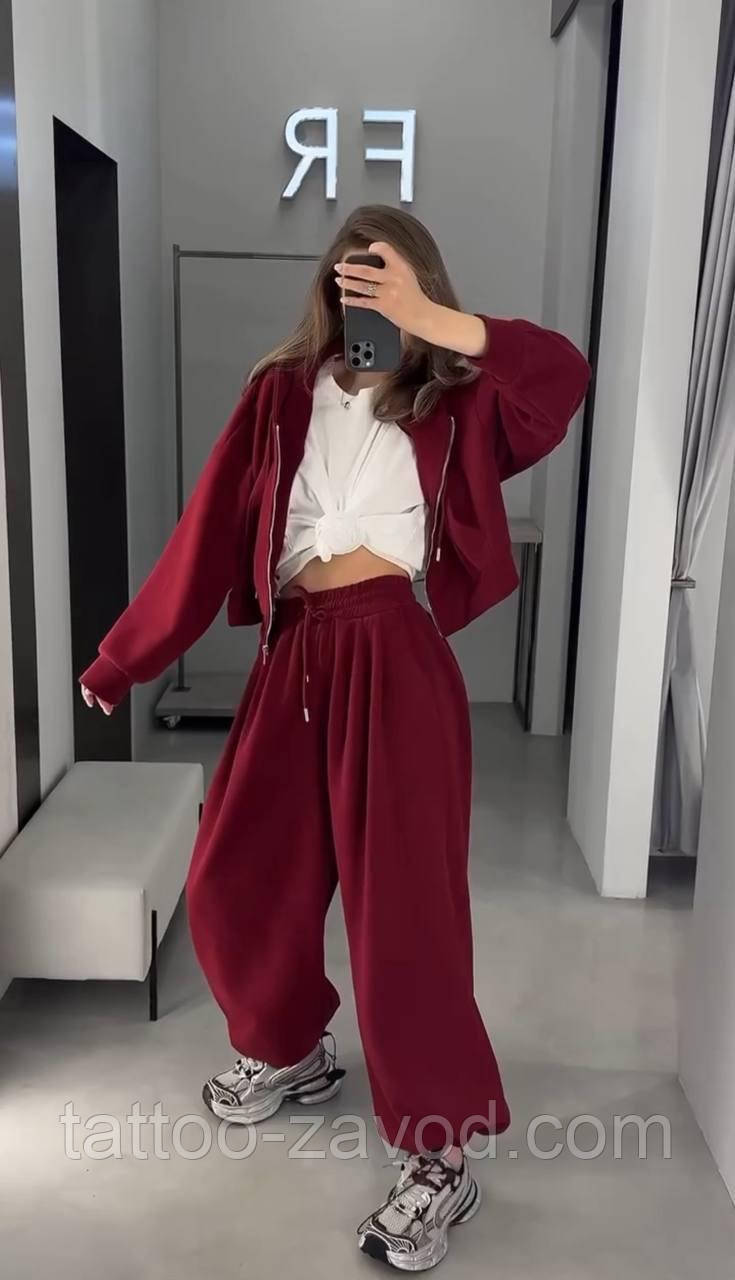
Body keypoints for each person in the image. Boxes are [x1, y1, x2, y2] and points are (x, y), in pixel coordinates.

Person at [80, 204, 591, 1272]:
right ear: (328, 284)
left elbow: (563, 375)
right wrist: (127, 656)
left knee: (404, 916)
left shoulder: (458, 395)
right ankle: (289, 1049)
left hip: (396, 658)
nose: (364, 293)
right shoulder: (280, 393)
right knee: (233, 875)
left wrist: (434, 324)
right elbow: (207, 532)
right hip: (294, 656)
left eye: (386, 278)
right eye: (352, 276)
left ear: (420, 284)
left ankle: (439, 1154)